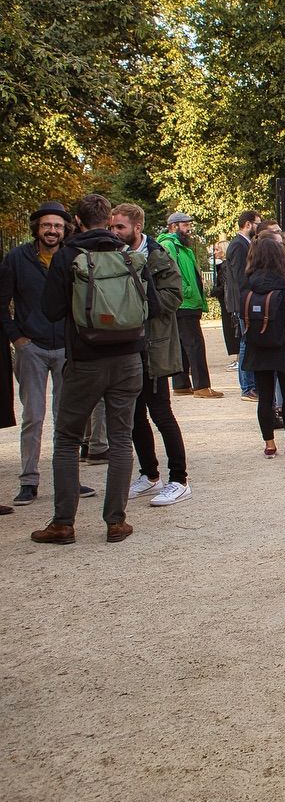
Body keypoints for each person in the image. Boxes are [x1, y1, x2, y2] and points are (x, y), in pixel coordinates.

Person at [30, 194, 159, 545]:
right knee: (121, 439)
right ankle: (116, 521)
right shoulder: (129, 255)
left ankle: (63, 523)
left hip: (86, 357)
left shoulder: (68, 256)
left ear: (77, 220)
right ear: (109, 219)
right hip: (128, 358)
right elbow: (153, 305)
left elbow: (51, 310)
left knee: (67, 439)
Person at [1, 202, 94, 507]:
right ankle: (29, 480)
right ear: (37, 228)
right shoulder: (17, 258)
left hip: (66, 346)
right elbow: (2, 303)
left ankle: (68, 480)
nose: (52, 230)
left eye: (57, 226)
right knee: (33, 416)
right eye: (46, 225)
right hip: (32, 347)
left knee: (66, 418)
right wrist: (18, 338)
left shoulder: (73, 257)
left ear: (65, 229)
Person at [110, 204, 193, 508]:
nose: (114, 232)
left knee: (161, 413)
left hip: (152, 346)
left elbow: (173, 297)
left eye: (120, 227)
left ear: (137, 227)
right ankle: (149, 474)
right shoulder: (112, 255)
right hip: (125, 346)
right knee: (134, 415)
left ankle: (180, 480)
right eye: (112, 227)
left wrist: (140, 301)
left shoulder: (159, 256)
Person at [244, 233, 285, 458]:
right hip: (282, 344)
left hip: (257, 344)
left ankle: (269, 444)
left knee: (265, 397)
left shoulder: (249, 282)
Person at [160, 211, 222, 398]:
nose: (189, 229)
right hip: (184, 302)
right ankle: (202, 386)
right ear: (173, 227)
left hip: (186, 301)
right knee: (195, 345)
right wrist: (185, 290)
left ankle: (181, 384)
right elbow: (170, 273)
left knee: (182, 344)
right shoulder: (169, 245)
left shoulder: (180, 246)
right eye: (185, 225)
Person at [224, 209, 261, 400]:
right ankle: (247, 387)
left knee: (247, 343)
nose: (258, 228)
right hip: (243, 302)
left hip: (244, 300)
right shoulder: (239, 245)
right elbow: (241, 277)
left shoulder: (243, 243)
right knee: (246, 343)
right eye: (257, 224)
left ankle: (250, 386)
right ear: (248, 224)